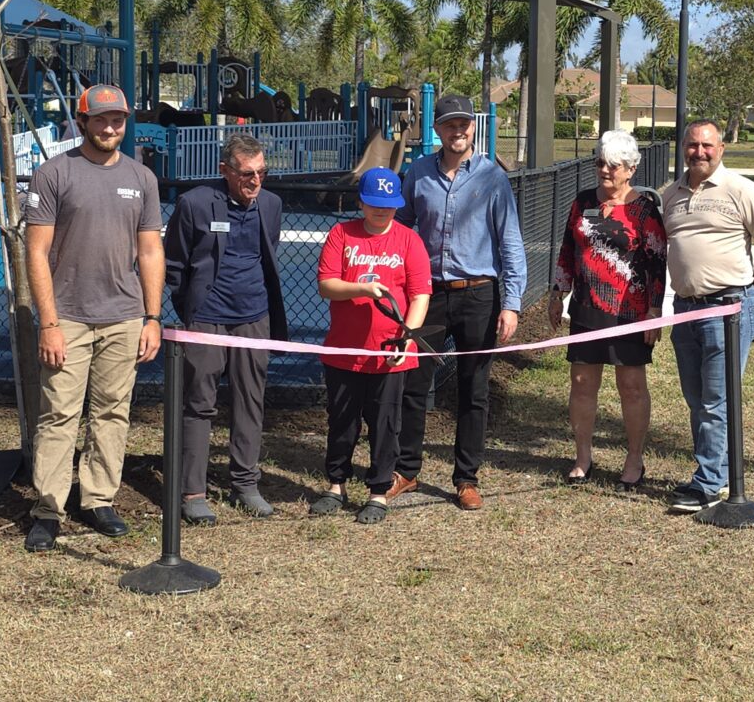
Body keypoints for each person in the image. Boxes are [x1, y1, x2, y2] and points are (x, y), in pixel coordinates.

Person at [24, 84, 164, 552]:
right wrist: (49, 322)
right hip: (68, 319)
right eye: (101, 120)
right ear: (82, 122)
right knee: (59, 414)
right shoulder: (53, 174)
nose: (110, 128)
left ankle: (99, 499)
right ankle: (47, 508)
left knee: (111, 412)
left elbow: (149, 250)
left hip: (124, 318)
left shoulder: (142, 178)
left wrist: (152, 316)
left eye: (117, 120)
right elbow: (37, 252)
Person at [387, 94, 527, 511]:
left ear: (472, 128)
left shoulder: (491, 178)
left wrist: (512, 303)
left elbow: (511, 242)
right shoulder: (418, 174)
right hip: (426, 295)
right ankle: (407, 470)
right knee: (414, 385)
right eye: (450, 124)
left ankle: (466, 477)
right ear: (438, 130)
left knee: (474, 389)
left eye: (464, 123)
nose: (458, 130)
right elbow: (403, 231)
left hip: (478, 295)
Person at [163, 134, 287, 525]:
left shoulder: (271, 205)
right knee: (199, 403)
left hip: (254, 317)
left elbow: (268, 255)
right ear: (225, 171)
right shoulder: (195, 203)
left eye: (262, 173)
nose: (256, 181)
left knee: (251, 399)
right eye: (247, 173)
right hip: (206, 319)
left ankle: (246, 484)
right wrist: (191, 310)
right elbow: (175, 264)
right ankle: (193, 492)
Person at [663, 118, 754, 512]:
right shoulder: (672, 194)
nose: (699, 151)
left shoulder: (742, 190)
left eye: (707, 145)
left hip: (727, 310)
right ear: (683, 147)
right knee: (696, 397)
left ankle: (708, 483)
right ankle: (714, 472)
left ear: (721, 149)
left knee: (717, 399)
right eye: (693, 144)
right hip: (684, 310)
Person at [310, 167, 431, 525]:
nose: (382, 211)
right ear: (361, 202)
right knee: (342, 420)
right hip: (345, 349)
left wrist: (406, 336)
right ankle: (336, 484)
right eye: (375, 204)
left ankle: (378, 491)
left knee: (385, 422)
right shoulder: (341, 234)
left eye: (389, 205)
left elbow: (420, 293)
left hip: (390, 351)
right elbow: (326, 284)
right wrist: (362, 289)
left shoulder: (409, 240)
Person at [548, 131, 667, 490]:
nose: (605, 171)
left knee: (631, 386)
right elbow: (569, 248)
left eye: (613, 165)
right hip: (587, 308)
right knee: (582, 383)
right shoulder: (582, 202)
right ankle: (583, 457)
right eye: (600, 162)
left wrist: (654, 311)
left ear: (630, 169)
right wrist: (559, 291)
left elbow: (658, 261)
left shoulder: (644, 208)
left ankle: (634, 458)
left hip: (629, 311)